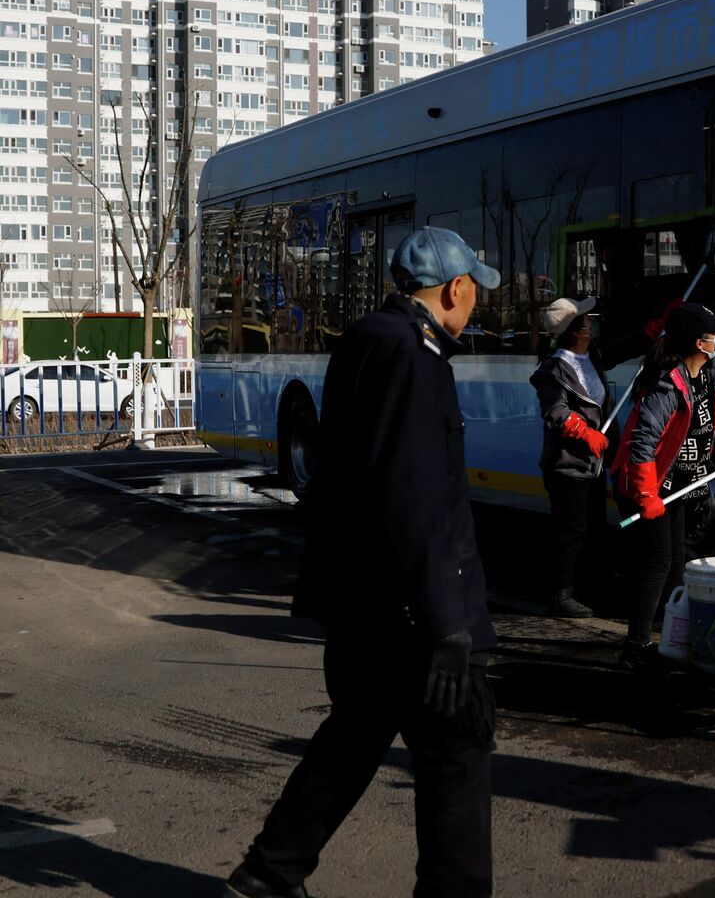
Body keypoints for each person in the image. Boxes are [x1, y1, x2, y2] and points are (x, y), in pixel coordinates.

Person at [226, 227, 500, 898]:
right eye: (474, 291)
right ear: (455, 289)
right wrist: (448, 624)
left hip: (360, 602)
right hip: (412, 612)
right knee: (458, 754)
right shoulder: (416, 357)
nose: (477, 304)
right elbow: (418, 499)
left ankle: (268, 872)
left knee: (354, 737)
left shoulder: (364, 342)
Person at [608, 302, 715, 669]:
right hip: (648, 485)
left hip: (680, 482)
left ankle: (673, 637)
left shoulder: (709, 373)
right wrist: (647, 496)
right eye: (713, 333)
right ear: (698, 342)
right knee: (657, 562)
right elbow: (641, 445)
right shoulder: (665, 383)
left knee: (676, 562)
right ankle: (635, 645)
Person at [530, 296, 611, 618]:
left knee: (593, 528)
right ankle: (560, 594)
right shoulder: (552, 369)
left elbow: (627, 347)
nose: (591, 321)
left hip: (594, 462)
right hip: (567, 465)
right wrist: (585, 433)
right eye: (585, 319)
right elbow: (557, 412)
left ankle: (589, 588)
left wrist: (655, 329)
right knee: (570, 531)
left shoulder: (593, 356)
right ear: (576, 330)